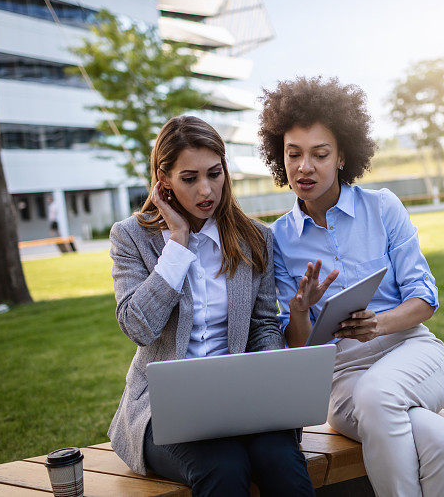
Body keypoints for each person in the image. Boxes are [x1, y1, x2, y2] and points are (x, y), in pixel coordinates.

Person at [259, 77, 444, 497]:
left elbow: (425, 298)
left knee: (380, 394)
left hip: (413, 353)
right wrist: (299, 311)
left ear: (341, 157)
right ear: (279, 157)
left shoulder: (383, 207)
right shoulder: (277, 238)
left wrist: (379, 324)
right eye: (293, 154)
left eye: (320, 154)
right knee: (441, 440)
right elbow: (295, 349)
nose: (304, 167)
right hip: (344, 380)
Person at [107, 115, 314, 497]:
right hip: (162, 412)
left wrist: (272, 386)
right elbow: (138, 327)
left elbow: (263, 326)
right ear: (163, 180)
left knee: (281, 459)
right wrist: (178, 246)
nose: (206, 190)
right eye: (189, 179)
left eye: (214, 174)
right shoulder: (131, 237)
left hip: (243, 401)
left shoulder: (255, 239)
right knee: (224, 465)